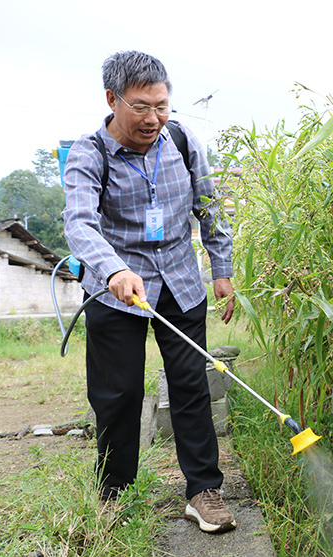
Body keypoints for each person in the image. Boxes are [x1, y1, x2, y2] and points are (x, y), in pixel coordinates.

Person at [62, 50, 236, 533]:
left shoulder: (181, 140)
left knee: (190, 387)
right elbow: (79, 224)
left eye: (162, 106)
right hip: (117, 291)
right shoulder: (88, 153)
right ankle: (115, 494)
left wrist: (221, 270)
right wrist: (114, 270)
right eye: (141, 106)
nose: (154, 118)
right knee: (117, 394)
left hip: (181, 282)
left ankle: (204, 491)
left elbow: (210, 207)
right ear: (112, 99)